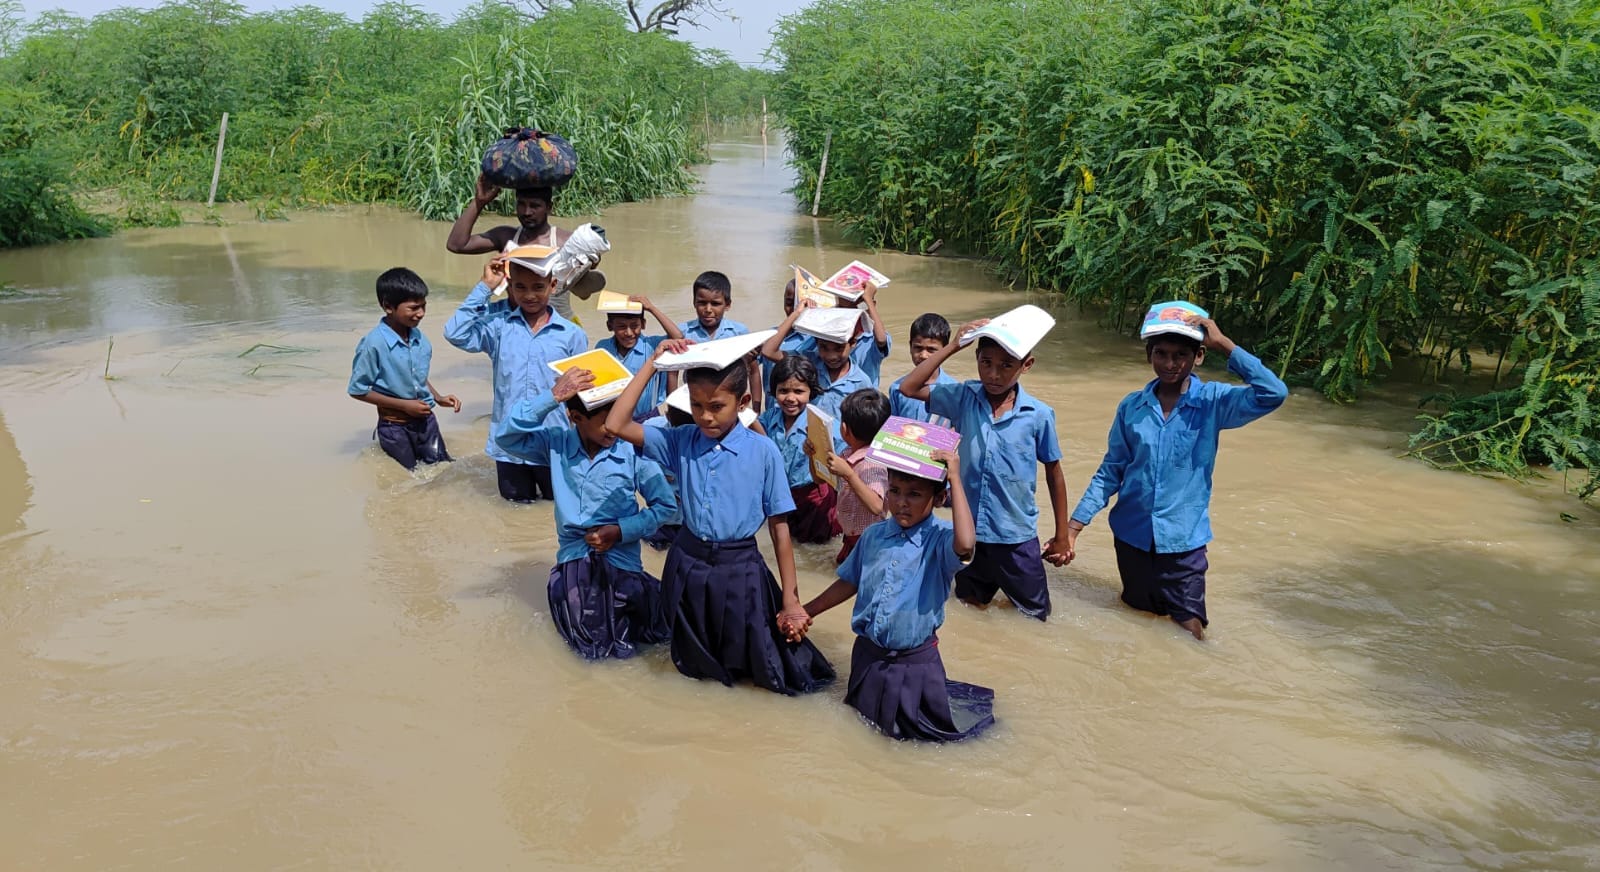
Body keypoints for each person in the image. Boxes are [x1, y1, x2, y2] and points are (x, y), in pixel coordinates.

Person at [604, 346, 835, 695]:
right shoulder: (680, 441)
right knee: (695, 662)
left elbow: (779, 529)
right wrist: (655, 362)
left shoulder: (763, 451)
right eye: (696, 406)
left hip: (740, 567)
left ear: (743, 403)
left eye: (716, 407)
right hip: (687, 563)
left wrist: (790, 599)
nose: (706, 417)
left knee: (756, 664)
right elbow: (615, 423)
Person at [1066, 313, 1287, 640]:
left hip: (1184, 544)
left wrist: (1225, 345)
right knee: (1137, 619)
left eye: (1181, 355)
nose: (1170, 363)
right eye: (1161, 354)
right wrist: (1073, 529)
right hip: (1132, 538)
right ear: (1149, 355)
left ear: (1198, 357)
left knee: (1190, 630)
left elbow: (1274, 393)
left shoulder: (1213, 403)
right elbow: (1111, 469)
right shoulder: (1132, 407)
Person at [789, 449, 995, 742]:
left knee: (920, 740)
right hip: (868, 657)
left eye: (914, 494)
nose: (901, 502)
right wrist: (806, 610)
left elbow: (965, 543)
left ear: (937, 499)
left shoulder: (939, 539)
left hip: (914, 665)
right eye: (894, 491)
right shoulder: (873, 536)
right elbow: (849, 582)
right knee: (864, 730)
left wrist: (954, 479)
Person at [492, 366, 678, 659]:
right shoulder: (556, 444)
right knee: (594, 650)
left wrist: (620, 530)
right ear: (575, 417)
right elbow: (505, 437)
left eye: (619, 420)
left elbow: (665, 506)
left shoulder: (632, 450)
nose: (613, 430)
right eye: (606, 424)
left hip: (622, 560)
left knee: (662, 632)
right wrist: (551, 398)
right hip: (576, 560)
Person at [898, 319, 1072, 620]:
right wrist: (953, 346)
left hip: (1016, 538)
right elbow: (909, 387)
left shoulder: (1039, 415)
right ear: (976, 359)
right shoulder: (964, 397)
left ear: (1026, 365)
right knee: (969, 607)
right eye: (986, 363)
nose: (993, 374)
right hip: (970, 536)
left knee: (1036, 617)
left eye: (1006, 366)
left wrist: (1061, 536)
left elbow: (1054, 473)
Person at [444, 255, 588, 503]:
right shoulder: (498, 327)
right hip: (508, 444)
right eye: (520, 287)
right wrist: (485, 287)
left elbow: (584, 391)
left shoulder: (572, 334)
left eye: (538, 287)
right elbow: (454, 333)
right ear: (509, 287)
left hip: (553, 443)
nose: (529, 295)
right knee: (515, 513)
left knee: (556, 511)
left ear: (552, 286)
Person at [347, 267, 461, 470]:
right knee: (407, 477)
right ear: (388, 307)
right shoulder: (373, 344)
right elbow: (358, 390)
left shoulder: (418, 337)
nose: (421, 314)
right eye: (414, 308)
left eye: (424, 306)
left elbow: (416, 374)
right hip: (394, 427)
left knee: (443, 470)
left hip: (426, 421)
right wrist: (404, 405)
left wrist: (438, 397)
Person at [444, 175, 598, 322]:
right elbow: (456, 245)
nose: (526, 212)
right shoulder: (506, 237)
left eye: (535, 206)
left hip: (559, 326)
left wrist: (591, 260)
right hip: (517, 325)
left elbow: (585, 288)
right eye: (521, 204)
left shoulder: (567, 241)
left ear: (549, 207)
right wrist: (479, 202)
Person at [759, 282, 891, 417]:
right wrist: (796, 313)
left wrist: (868, 299)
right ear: (816, 343)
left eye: (839, 348)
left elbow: (864, 421)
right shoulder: (808, 363)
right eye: (824, 347)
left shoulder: (861, 382)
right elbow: (769, 351)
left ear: (852, 343)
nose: (831, 356)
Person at [759, 355, 844, 545]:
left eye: (798, 391)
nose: (790, 398)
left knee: (816, 546)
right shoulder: (769, 418)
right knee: (786, 539)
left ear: (811, 392)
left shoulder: (821, 424)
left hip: (814, 498)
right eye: (783, 391)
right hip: (781, 494)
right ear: (773, 391)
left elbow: (846, 454)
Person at [822, 388, 891, 564]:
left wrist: (850, 474)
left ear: (844, 429)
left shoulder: (872, 463)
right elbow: (820, 479)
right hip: (852, 534)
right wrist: (812, 454)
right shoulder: (847, 454)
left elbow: (876, 506)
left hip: (867, 538)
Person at [596, 295, 683, 422]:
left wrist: (651, 308)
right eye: (621, 327)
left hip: (648, 418)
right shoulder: (603, 348)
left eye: (634, 326)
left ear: (643, 324)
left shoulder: (653, 346)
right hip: (612, 419)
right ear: (610, 326)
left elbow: (678, 338)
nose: (629, 333)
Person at [889, 313, 957, 425]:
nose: (923, 355)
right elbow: (892, 428)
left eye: (931, 350)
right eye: (918, 348)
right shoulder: (897, 389)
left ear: (945, 351)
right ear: (910, 347)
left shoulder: (954, 391)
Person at [678, 271, 748, 342]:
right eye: (702, 303)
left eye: (715, 304)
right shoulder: (682, 331)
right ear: (694, 303)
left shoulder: (739, 332)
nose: (708, 310)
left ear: (727, 305)